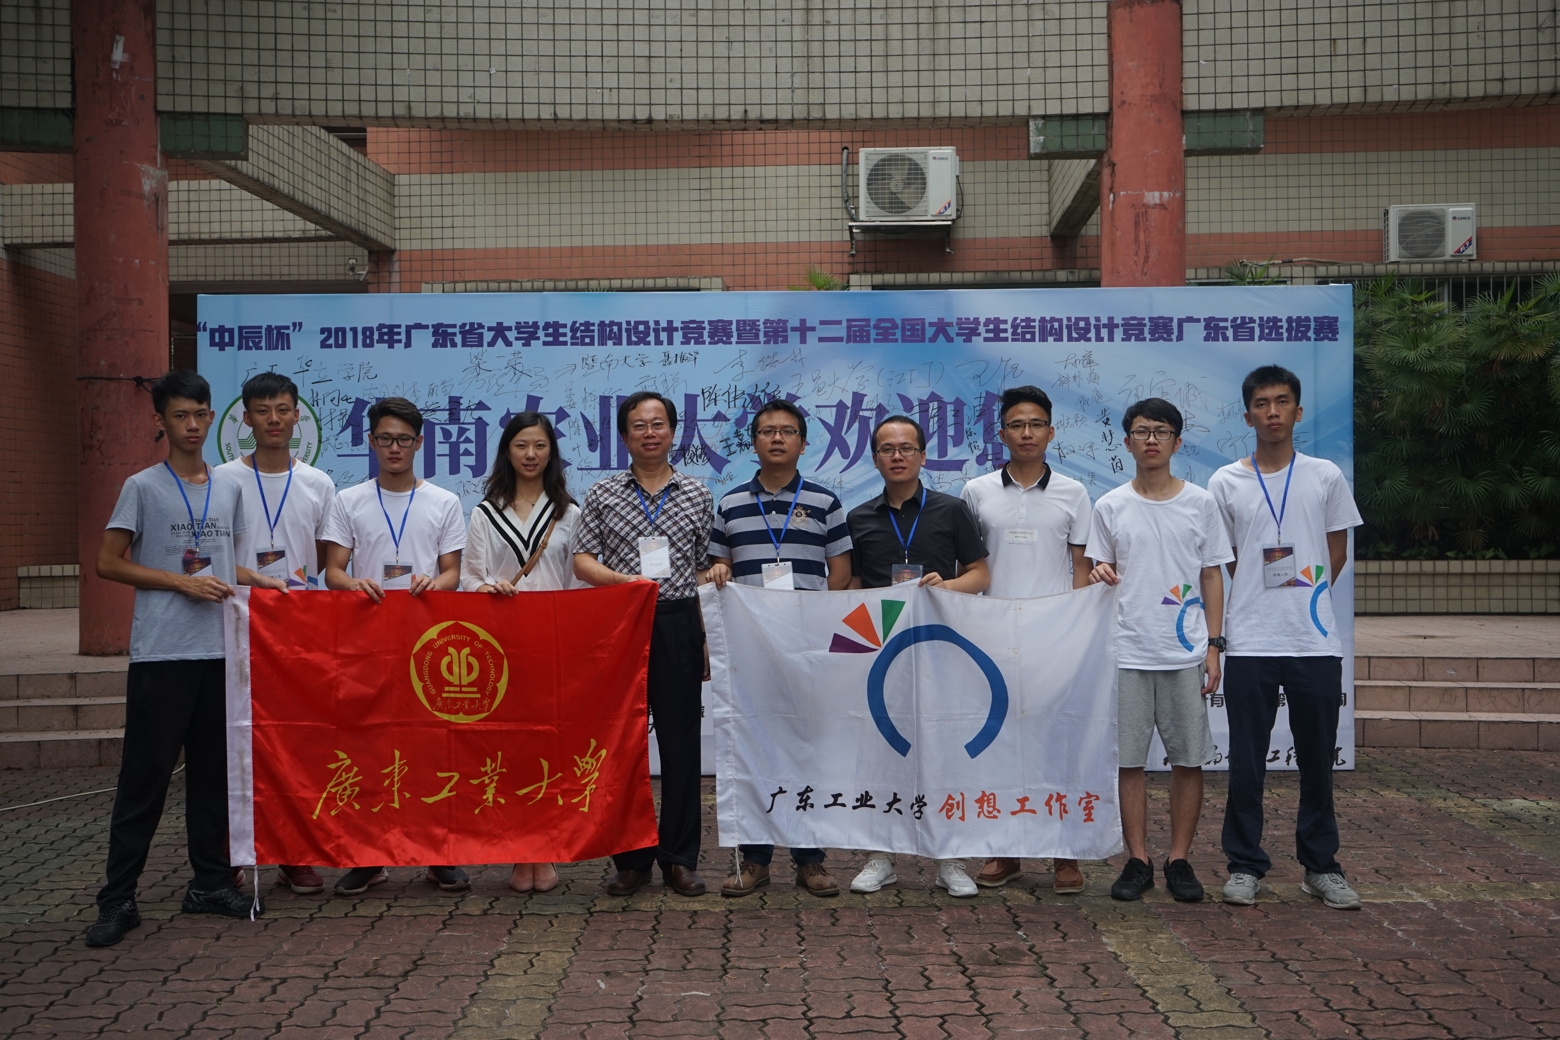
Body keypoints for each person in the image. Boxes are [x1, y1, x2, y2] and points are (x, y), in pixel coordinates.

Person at [86, 371, 258, 947]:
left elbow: (225, 561)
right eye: (179, 416)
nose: (191, 425)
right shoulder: (142, 487)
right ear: (160, 421)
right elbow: (108, 562)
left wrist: (266, 583)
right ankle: (117, 899)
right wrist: (179, 583)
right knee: (145, 779)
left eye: (200, 414)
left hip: (220, 653)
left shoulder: (229, 488)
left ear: (212, 416)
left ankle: (209, 883)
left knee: (213, 777)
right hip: (162, 653)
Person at [1209, 365, 1363, 910]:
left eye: (1281, 402)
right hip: (1250, 641)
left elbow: (1337, 550)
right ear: (1247, 414)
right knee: (1246, 761)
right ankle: (1244, 865)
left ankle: (1320, 867)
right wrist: (1261, 594)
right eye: (1261, 403)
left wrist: (1305, 598)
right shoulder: (1225, 482)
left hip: (1313, 642)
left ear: (1298, 412)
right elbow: (1225, 559)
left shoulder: (1325, 476)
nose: (1271, 412)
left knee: (1317, 760)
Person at [1084, 398, 1232, 903]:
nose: (1151, 440)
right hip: (1125, 651)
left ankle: (1180, 859)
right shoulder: (1109, 506)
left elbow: (1211, 576)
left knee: (1188, 760)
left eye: (1161, 431)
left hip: (1184, 652)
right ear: (1127, 442)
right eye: (1142, 432)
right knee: (1128, 762)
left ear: (1177, 442)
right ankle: (1138, 859)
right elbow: (1095, 570)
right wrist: (1098, 571)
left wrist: (1214, 646)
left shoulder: (1201, 503)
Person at [705, 399, 853, 899]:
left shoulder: (825, 502)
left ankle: (811, 859)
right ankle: (756, 859)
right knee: (754, 748)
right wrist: (718, 570)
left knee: (807, 748)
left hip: (808, 648)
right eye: (767, 431)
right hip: (750, 649)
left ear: (803, 444)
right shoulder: (730, 504)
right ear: (754, 443)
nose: (776, 438)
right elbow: (715, 566)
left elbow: (841, 574)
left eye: (787, 431)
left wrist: (816, 626)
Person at [321, 396, 468, 897]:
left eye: (404, 439)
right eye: (385, 438)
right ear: (371, 442)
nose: (394, 448)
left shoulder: (444, 502)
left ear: (420, 443)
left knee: (432, 748)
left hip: (427, 643)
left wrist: (434, 583)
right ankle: (369, 856)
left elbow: (453, 573)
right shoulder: (348, 500)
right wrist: (352, 584)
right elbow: (333, 571)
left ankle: (439, 854)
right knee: (368, 747)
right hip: (367, 641)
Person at [573, 391, 715, 897]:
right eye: (639, 425)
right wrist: (624, 582)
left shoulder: (697, 493)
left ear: (673, 432)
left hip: (679, 621)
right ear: (624, 435)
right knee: (623, 746)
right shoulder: (603, 493)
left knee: (681, 746)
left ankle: (680, 858)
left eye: (658, 424)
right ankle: (630, 859)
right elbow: (582, 561)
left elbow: (703, 568)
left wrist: (705, 636)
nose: (649, 433)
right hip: (622, 623)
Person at [846, 415, 990, 898]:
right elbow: (851, 588)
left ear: (923, 456)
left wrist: (944, 586)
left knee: (943, 750)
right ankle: (880, 856)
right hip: (880, 652)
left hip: (940, 648)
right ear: (875, 459)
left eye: (906, 447)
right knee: (880, 752)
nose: (897, 456)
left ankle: (950, 858)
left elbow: (980, 575)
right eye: (887, 449)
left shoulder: (951, 510)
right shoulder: (859, 518)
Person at [960, 385, 1093, 895]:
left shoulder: (1074, 493)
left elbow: (1081, 568)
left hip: (1054, 636)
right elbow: (968, 565)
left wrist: (1078, 630)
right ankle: (1005, 850)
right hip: (990, 636)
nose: (1027, 433)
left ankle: (1064, 853)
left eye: (1036, 424)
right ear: (1002, 434)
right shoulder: (976, 491)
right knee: (999, 744)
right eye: (1017, 424)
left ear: (1051, 432)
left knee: (1056, 742)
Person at [215, 370, 338, 897]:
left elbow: (328, 560)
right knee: (236, 743)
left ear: (296, 416)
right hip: (236, 627)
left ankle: (294, 853)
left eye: (282, 409)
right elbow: (215, 557)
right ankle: (231, 854)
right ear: (245, 418)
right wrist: (255, 580)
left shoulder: (319, 483)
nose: (273, 419)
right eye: (262, 410)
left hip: (298, 631)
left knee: (297, 743)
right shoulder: (222, 480)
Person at [461, 410, 587, 894]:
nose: (530, 455)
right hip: (501, 647)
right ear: (507, 452)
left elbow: (578, 583)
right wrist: (488, 588)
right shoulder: (485, 512)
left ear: (551, 452)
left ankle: (547, 846)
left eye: (539, 446)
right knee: (508, 748)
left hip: (553, 646)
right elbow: (469, 577)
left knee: (550, 748)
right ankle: (518, 848)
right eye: (521, 446)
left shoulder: (569, 513)